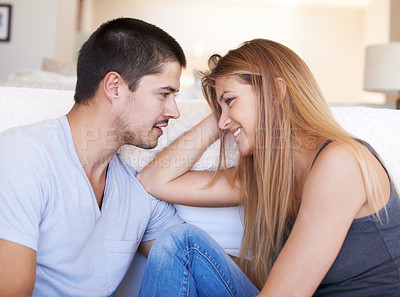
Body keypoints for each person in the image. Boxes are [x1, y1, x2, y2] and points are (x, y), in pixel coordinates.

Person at [136, 39, 400, 296]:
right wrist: (220, 115)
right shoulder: (266, 178)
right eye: (220, 109)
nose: (223, 123)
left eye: (230, 100)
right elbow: (154, 181)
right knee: (180, 244)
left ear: (274, 94)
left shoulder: (341, 164)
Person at [0, 17, 186, 296]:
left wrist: (219, 119)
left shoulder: (134, 189)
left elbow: (197, 257)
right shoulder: (23, 156)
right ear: (114, 87)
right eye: (164, 94)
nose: (174, 111)